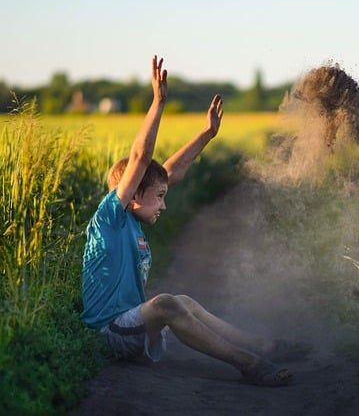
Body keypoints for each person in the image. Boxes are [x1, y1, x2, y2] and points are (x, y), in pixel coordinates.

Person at [81, 55, 309, 387]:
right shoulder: (110, 217)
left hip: (131, 327)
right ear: (132, 194)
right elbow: (141, 158)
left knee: (183, 302)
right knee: (166, 304)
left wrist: (207, 134)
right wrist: (158, 103)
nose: (164, 204)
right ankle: (249, 363)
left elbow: (168, 173)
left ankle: (264, 345)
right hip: (109, 332)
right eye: (159, 197)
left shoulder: (131, 215)